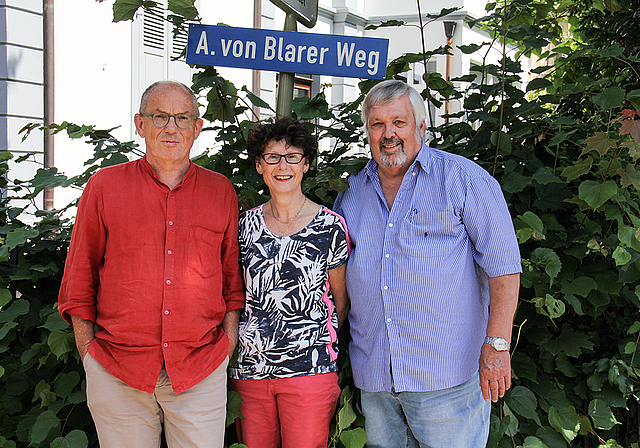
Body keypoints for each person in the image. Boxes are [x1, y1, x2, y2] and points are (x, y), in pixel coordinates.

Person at [333, 79, 522, 448]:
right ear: (368, 131)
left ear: (420, 127)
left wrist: (498, 346)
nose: (389, 134)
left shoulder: (463, 179)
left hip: (447, 379)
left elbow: (505, 267)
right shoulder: (352, 189)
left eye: (399, 122)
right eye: (377, 124)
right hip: (376, 378)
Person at [58, 80, 245, 448]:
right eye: (160, 117)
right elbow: (79, 277)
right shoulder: (104, 187)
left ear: (197, 128)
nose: (171, 127)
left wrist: (227, 343)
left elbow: (231, 279)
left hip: (199, 369)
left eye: (182, 118)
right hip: (117, 370)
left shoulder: (220, 190)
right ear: (140, 124)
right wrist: (90, 356)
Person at [228, 117, 349, 448]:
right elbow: (235, 296)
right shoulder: (243, 227)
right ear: (259, 165)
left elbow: (341, 301)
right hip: (251, 372)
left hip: (310, 372)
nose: (283, 166)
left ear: (306, 164)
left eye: (292, 156)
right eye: (272, 157)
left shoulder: (329, 226)